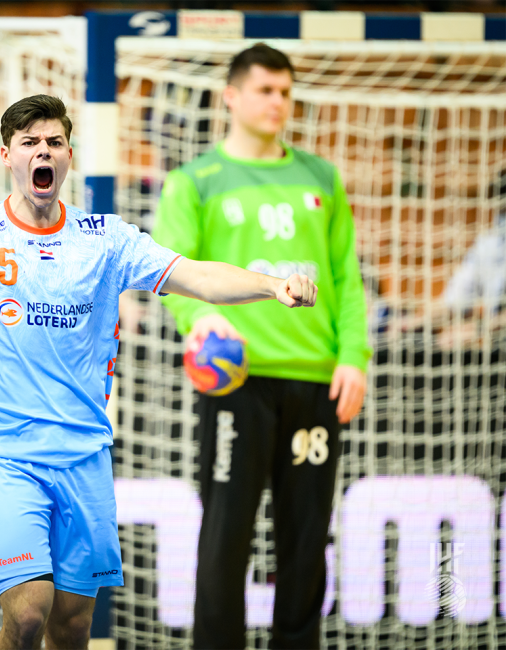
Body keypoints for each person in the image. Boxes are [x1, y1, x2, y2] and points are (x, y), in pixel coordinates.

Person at [0, 93, 318, 650]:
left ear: (69, 156)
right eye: (29, 143)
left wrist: (272, 285)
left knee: (74, 625)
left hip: (84, 455)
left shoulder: (105, 239)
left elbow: (194, 276)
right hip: (5, 455)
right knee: (28, 613)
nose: (42, 152)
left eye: (53, 142)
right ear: (7, 156)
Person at [152, 43, 371, 649]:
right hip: (235, 380)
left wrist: (353, 356)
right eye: (266, 90)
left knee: (306, 540)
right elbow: (171, 273)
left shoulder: (321, 177)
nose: (279, 102)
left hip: (313, 380)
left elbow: (346, 278)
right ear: (232, 96)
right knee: (226, 539)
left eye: (286, 91)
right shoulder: (194, 181)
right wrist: (199, 321)